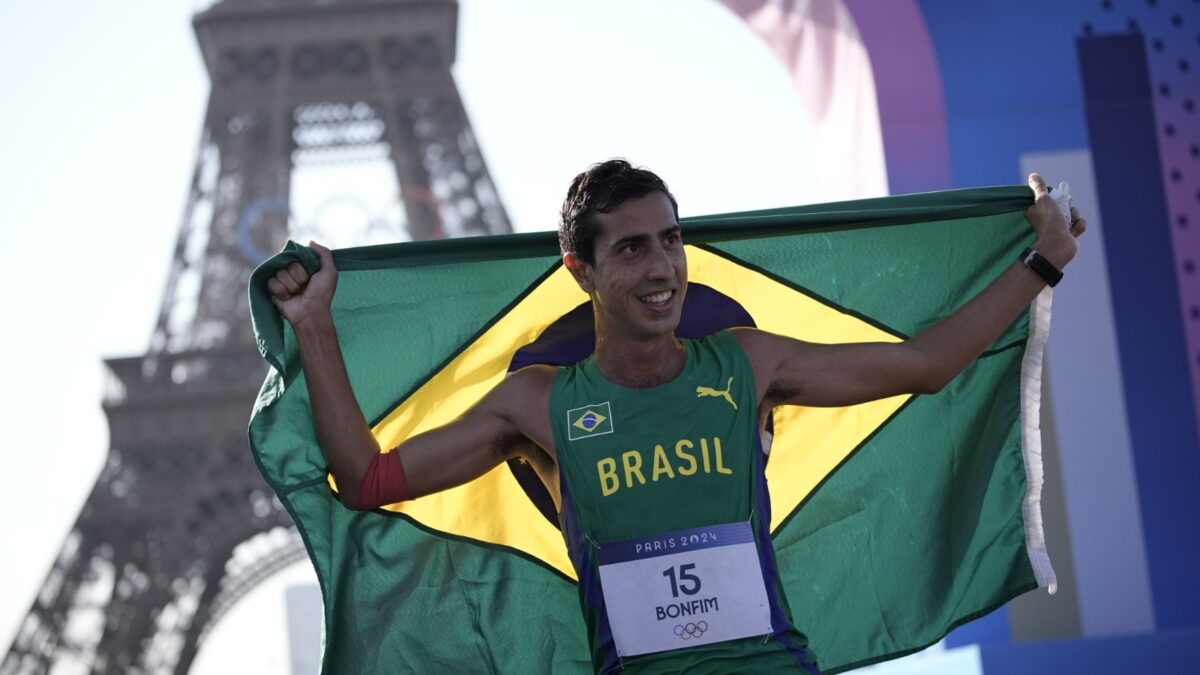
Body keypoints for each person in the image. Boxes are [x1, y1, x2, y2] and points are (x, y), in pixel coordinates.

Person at [267, 160, 1085, 674]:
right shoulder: (541, 402)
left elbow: (927, 365)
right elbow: (368, 480)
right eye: (631, 249)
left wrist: (1043, 259)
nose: (662, 268)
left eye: (671, 239)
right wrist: (313, 327)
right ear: (579, 268)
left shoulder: (747, 362)